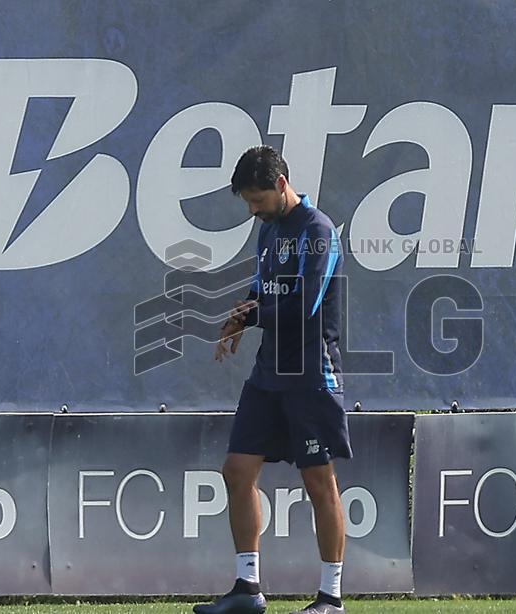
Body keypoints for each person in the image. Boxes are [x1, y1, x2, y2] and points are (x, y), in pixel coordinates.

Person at [195, 145, 350, 614]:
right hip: (268, 374)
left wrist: (255, 314)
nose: (252, 210)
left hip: (309, 374)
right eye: (247, 202)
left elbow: (304, 306)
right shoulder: (268, 232)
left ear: (282, 184)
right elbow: (262, 289)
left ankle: (330, 597)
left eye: (257, 200)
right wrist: (240, 318)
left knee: (319, 483)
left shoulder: (318, 232)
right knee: (237, 471)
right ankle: (248, 590)